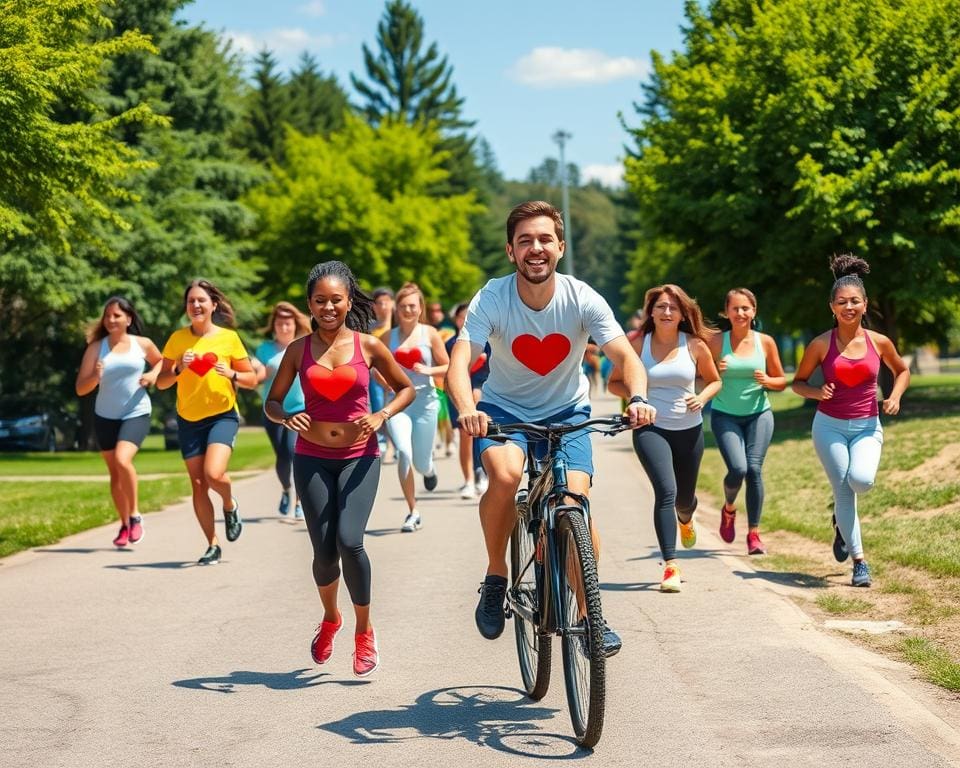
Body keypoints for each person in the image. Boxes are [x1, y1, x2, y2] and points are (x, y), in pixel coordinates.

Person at [447, 200, 655, 654]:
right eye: (525, 241)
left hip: (568, 413)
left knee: (574, 502)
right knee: (504, 476)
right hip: (504, 411)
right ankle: (496, 574)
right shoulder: (492, 297)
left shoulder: (582, 298)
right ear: (510, 251)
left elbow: (627, 358)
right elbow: (460, 362)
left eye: (544, 239)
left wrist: (638, 397)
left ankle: (589, 615)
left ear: (560, 247)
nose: (535, 248)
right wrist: (468, 407)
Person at [264, 261, 414, 677]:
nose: (328, 307)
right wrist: (283, 418)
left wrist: (382, 415)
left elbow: (406, 388)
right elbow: (272, 402)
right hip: (311, 458)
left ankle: (364, 632)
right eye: (319, 301)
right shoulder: (298, 350)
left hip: (359, 457)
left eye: (335, 300)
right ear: (309, 305)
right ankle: (331, 618)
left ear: (349, 301)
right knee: (324, 552)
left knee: (351, 541)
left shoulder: (369, 347)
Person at [791, 255, 909, 588]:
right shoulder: (819, 344)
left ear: (865, 303)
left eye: (854, 301)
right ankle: (859, 562)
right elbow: (798, 383)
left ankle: (840, 524)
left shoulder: (879, 342)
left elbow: (902, 370)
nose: (849, 307)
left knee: (862, 481)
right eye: (842, 302)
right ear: (832, 307)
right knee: (844, 490)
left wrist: (896, 396)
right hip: (828, 426)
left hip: (867, 426)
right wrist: (817, 392)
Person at [609, 284, 721, 593]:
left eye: (673, 307)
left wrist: (702, 398)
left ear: (683, 312)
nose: (667, 312)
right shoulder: (636, 344)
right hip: (650, 428)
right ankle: (671, 566)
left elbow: (714, 381)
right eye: (661, 307)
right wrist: (637, 398)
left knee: (684, 499)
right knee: (666, 492)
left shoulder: (695, 345)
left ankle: (686, 518)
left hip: (689, 428)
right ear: (651, 312)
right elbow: (614, 383)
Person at [157, 280, 256, 565]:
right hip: (188, 419)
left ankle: (229, 503)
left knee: (214, 474)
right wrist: (179, 367)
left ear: (213, 305)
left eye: (201, 300)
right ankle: (212, 545)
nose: (196, 305)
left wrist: (231, 374)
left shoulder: (229, 338)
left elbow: (250, 379)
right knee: (198, 484)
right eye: (191, 302)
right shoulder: (177, 340)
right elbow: (163, 382)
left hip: (222, 415)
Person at [75, 297, 163, 548]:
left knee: (123, 460)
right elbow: (81, 389)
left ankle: (135, 516)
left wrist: (153, 375)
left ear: (129, 319)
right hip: (105, 416)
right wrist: (95, 376)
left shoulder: (142, 344)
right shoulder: (96, 348)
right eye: (108, 316)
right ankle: (124, 524)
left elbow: (163, 362)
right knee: (115, 473)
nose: (111, 320)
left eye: (117, 315)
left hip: (136, 412)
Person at [707, 289, 787, 555]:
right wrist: (713, 371)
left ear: (754, 311)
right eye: (735, 309)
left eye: (746, 308)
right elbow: (697, 377)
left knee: (754, 469)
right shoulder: (717, 342)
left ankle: (754, 534)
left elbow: (781, 380)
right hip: (724, 414)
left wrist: (767, 381)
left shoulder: (765, 342)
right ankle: (729, 508)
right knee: (738, 469)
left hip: (759, 414)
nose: (741, 313)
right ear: (726, 312)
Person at [379, 283, 450, 532]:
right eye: (403, 306)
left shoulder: (429, 334)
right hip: (398, 403)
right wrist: (385, 381)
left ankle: (429, 469)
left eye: (413, 305)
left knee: (420, 462)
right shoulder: (388, 337)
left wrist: (428, 370)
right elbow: (374, 368)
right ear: (397, 309)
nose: (408, 310)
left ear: (420, 308)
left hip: (426, 403)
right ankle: (412, 511)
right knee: (404, 454)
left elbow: (448, 366)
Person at [255, 302, 312, 520]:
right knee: (282, 456)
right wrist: (260, 372)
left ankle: (299, 501)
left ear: (294, 324)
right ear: (274, 326)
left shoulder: (304, 345)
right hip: (274, 408)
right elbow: (257, 376)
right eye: (280, 323)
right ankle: (286, 489)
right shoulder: (265, 349)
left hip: (300, 408)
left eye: (288, 323)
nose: (284, 328)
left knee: (294, 451)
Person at [445, 301, 491, 499]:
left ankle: (484, 473)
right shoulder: (450, 344)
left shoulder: (487, 342)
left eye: (468, 317)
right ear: (456, 320)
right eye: (461, 317)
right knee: (465, 435)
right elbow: (447, 370)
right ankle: (469, 480)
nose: (464, 321)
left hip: (482, 391)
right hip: (458, 394)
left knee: (483, 433)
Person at [369, 287, 396, 462]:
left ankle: (397, 445)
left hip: (396, 373)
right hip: (374, 375)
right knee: (379, 407)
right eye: (379, 303)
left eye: (387, 302)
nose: (383, 306)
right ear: (374, 306)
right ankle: (386, 442)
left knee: (397, 408)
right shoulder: (369, 328)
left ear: (393, 304)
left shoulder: (400, 325)